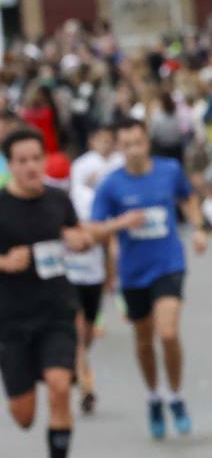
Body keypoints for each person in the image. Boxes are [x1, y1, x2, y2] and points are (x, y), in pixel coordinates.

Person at [88, 119, 209, 438]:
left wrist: (197, 229)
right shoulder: (111, 184)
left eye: (138, 143)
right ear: (119, 147)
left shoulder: (168, 170)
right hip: (133, 272)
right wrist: (121, 223)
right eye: (126, 145)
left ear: (147, 143)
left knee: (167, 333)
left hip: (169, 263)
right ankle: (154, 397)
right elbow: (93, 228)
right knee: (143, 339)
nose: (133, 150)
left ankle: (176, 396)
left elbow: (188, 198)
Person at [0, 127, 90, 458]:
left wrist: (79, 239)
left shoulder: (59, 199)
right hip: (11, 320)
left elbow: (76, 233)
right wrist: (3, 262)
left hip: (56, 311)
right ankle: (22, 390)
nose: (31, 167)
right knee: (23, 416)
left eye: (36, 158)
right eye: (22, 161)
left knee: (58, 386)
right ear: (10, 165)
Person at [66, 123, 123, 414]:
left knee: (86, 334)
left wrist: (111, 273)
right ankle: (87, 385)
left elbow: (105, 234)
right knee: (77, 333)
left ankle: (76, 365)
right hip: (70, 275)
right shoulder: (79, 180)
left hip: (94, 275)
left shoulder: (115, 166)